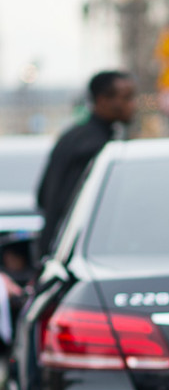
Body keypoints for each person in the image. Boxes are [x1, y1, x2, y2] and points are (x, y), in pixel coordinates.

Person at [36, 71, 137, 255]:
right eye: (127, 97)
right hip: (78, 252)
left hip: (56, 247)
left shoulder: (71, 135)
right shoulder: (98, 147)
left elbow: (42, 197)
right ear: (103, 100)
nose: (133, 104)